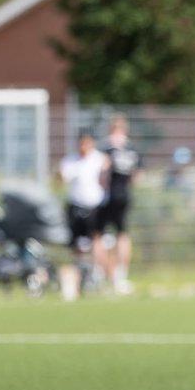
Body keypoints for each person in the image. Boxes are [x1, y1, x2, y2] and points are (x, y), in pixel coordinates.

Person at [59, 130, 110, 291]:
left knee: (97, 241)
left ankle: (101, 277)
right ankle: (80, 277)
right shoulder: (71, 160)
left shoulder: (100, 159)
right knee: (76, 244)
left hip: (95, 206)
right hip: (76, 206)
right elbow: (62, 177)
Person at [99, 113, 142, 294]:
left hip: (107, 197)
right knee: (122, 236)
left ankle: (103, 275)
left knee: (99, 236)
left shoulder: (107, 149)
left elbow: (102, 174)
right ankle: (120, 275)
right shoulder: (132, 150)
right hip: (125, 196)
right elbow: (136, 178)